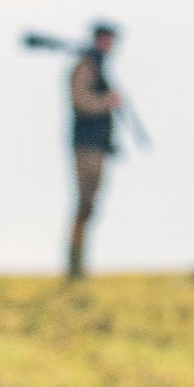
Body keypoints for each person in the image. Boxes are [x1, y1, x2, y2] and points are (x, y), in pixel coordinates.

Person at [66, 23, 122, 280]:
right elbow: (81, 101)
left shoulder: (98, 67)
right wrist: (106, 102)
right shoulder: (85, 68)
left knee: (91, 203)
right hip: (86, 146)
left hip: (97, 145)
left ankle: (79, 263)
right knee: (85, 202)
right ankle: (74, 264)